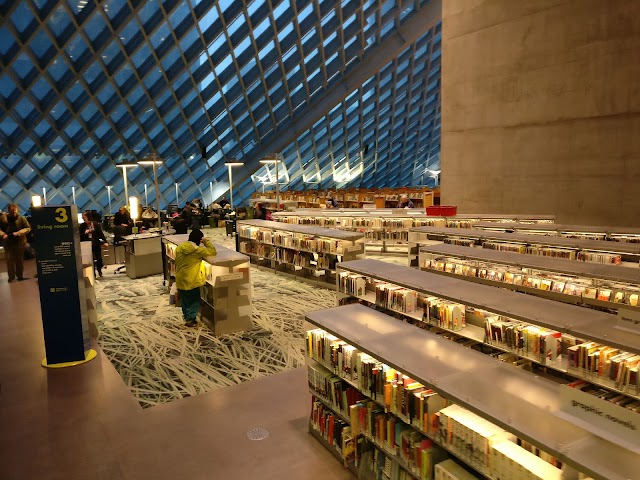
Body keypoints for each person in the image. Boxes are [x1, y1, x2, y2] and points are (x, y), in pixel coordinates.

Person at [174, 229, 216, 327]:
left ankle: (187, 318)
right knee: (195, 300)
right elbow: (213, 251)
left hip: (180, 278)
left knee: (185, 301)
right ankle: (191, 320)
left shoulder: (180, 247)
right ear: (199, 239)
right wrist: (206, 241)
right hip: (191, 279)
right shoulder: (197, 251)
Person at [0, 203, 32, 282]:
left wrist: (18, 233)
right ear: (9, 211)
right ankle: (11, 277)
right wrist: (2, 234)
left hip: (19, 242)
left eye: (15, 211)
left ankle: (19, 276)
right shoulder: (2, 218)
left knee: (19, 260)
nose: (14, 213)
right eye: (12, 211)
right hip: (8, 242)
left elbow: (28, 228)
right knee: (9, 260)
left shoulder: (21, 218)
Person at [79, 211, 108, 277]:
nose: (83, 219)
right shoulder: (82, 226)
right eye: (83, 217)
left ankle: (99, 269)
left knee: (99, 258)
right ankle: (92, 272)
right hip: (87, 244)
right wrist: (85, 233)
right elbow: (80, 236)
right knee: (90, 259)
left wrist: (105, 241)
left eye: (84, 217)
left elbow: (100, 234)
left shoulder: (95, 224)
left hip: (96, 243)